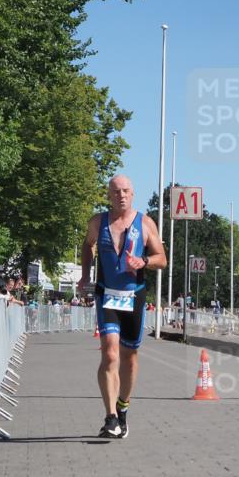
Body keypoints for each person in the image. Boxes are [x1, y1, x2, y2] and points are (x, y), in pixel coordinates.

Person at [77, 174, 167, 439]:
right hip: (107, 295)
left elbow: (162, 258)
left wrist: (143, 262)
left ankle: (123, 406)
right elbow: (87, 245)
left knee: (129, 357)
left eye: (126, 191)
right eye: (116, 192)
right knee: (110, 353)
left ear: (133, 193)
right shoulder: (98, 222)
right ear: (109, 195)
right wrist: (85, 274)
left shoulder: (146, 223)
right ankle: (110, 417)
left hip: (133, 296)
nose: (121, 195)